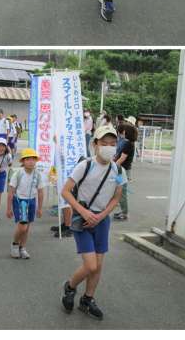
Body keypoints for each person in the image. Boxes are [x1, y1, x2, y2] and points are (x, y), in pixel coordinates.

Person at [60, 125, 126, 321]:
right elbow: (65, 191)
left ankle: (87, 299)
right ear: (95, 144)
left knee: (99, 264)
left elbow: (117, 197)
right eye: (104, 143)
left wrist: (102, 215)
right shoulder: (85, 165)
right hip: (82, 220)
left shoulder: (118, 169)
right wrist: (84, 212)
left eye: (113, 144)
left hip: (102, 221)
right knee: (91, 266)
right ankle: (70, 286)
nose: (109, 147)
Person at [7, 148, 44, 259]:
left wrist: (40, 208)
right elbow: (11, 192)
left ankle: (22, 247)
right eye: (28, 159)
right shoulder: (18, 174)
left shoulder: (37, 174)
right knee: (22, 227)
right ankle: (14, 244)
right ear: (23, 161)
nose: (31, 162)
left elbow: (41, 192)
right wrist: (8, 208)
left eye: (33, 159)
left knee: (27, 227)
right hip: (20, 201)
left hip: (31, 201)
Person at [113, 122, 137, 221]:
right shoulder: (129, 143)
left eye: (125, 131)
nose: (123, 132)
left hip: (122, 170)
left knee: (122, 192)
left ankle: (125, 213)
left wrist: (113, 166)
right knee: (119, 191)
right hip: (122, 169)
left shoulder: (128, 144)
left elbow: (122, 158)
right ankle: (123, 211)